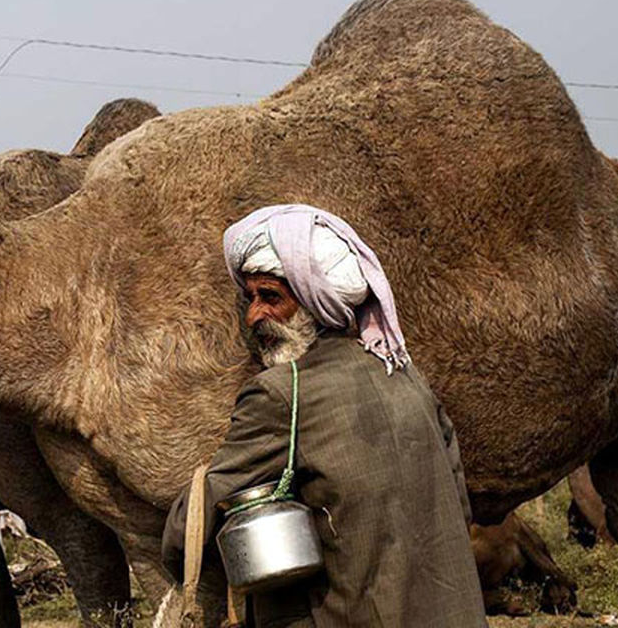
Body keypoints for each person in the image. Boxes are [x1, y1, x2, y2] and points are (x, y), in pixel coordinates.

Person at [162, 204, 486, 627]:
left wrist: (173, 545)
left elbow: (195, 521)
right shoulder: (405, 373)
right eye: (250, 297)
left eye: (271, 298)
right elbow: (459, 505)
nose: (254, 315)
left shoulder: (281, 394)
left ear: (317, 301)